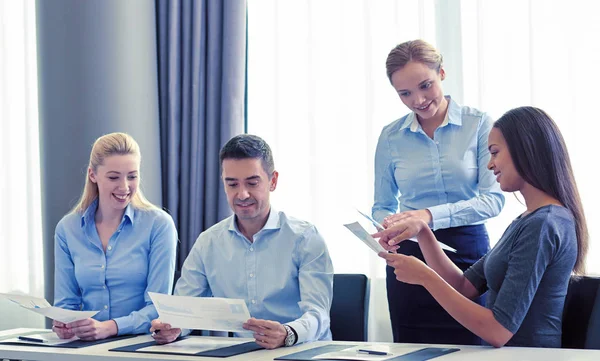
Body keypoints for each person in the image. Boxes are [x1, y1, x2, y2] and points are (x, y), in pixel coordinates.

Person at [376, 106, 587, 348]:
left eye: (495, 153)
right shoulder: (527, 220)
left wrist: (425, 277)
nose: (489, 165)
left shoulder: (544, 225)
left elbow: (497, 331)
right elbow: (464, 287)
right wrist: (423, 232)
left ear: (526, 149)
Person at [372, 39, 505, 344]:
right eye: (405, 93)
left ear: (442, 73)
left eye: (425, 85)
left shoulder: (479, 124)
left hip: (468, 254)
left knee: (470, 346)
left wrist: (428, 216)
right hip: (410, 257)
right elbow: (381, 204)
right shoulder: (391, 136)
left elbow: (493, 200)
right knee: (410, 349)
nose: (418, 99)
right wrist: (388, 225)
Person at [150, 134, 333, 349]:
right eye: (232, 184)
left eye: (252, 183)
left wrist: (288, 333)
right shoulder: (208, 242)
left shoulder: (306, 239)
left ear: (272, 181)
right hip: (241, 354)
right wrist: (174, 327)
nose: (242, 194)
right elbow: (185, 307)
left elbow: (318, 314)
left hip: (300, 351)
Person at [53, 132, 178, 340]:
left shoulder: (158, 225)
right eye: (113, 177)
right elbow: (66, 303)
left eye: (132, 176)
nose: (124, 187)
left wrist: (110, 327)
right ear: (93, 175)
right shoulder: (68, 229)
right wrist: (64, 324)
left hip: (141, 346)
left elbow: (158, 308)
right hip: (86, 348)